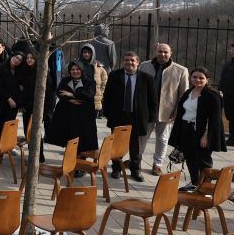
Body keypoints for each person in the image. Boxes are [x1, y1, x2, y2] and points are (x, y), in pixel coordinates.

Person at [101, 51, 158, 181]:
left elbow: (153, 100)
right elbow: (108, 96)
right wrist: (108, 113)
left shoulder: (147, 78)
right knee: (117, 144)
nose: (129, 62)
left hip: (138, 117)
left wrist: (151, 118)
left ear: (138, 62)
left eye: (132, 60)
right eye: (126, 60)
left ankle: (135, 170)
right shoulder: (115, 75)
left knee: (136, 146)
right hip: (119, 116)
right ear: (123, 61)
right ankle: (116, 168)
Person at [172, 67, 227, 189]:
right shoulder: (188, 92)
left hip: (202, 133)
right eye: (194, 77)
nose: (197, 80)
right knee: (190, 159)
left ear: (207, 79)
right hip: (186, 130)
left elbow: (214, 119)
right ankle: (194, 183)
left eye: (201, 78)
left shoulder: (213, 96)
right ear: (190, 78)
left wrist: (206, 136)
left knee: (204, 161)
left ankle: (206, 187)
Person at [140, 43, 190, 173]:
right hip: (147, 110)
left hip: (167, 111)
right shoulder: (144, 66)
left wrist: (177, 112)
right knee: (142, 136)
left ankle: (157, 163)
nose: (162, 54)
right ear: (155, 52)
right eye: (160, 51)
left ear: (170, 53)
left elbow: (183, 95)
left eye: (165, 52)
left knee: (162, 139)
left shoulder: (181, 70)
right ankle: (136, 160)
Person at [44, 62, 99, 153]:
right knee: (69, 139)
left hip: (83, 117)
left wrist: (72, 94)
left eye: (77, 69)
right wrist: (70, 100)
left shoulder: (89, 82)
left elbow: (88, 95)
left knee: (82, 142)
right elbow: (60, 93)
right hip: (68, 115)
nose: (75, 71)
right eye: (72, 70)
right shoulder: (65, 80)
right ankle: (69, 162)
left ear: (81, 70)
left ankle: (80, 162)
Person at [77, 43, 108, 116]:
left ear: (92, 53)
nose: (86, 54)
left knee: (91, 124)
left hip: (94, 100)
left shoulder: (100, 68)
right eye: (84, 52)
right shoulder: (76, 65)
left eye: (89, 52)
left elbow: (104, 82)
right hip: (80, 98)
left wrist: (101, 93)